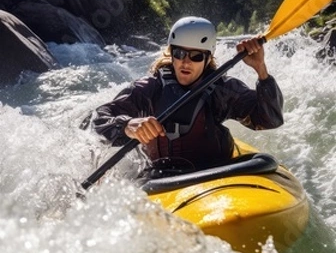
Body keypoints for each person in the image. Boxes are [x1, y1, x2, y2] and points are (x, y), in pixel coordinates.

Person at [92, 17, 283, 173]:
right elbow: (97, 119)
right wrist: (127, 125)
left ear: (208, 59)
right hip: (159, 178)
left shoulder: (221, 90)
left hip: (215, 172)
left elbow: (269, 120)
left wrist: (261, 70)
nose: (186, 62)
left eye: (196, 56)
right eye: (179, 53)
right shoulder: (148, 89)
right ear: (171, 53)